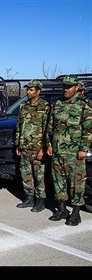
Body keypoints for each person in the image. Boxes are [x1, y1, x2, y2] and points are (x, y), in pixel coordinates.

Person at [46, 75, 92, 226]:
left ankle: (76, 213)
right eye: (64, 86)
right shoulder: (57, 103)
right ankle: (61, 210)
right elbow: (50, 126)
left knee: (76, 183)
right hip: (58, 150)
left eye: (69, 87)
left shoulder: (84, 105)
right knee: (58, 181)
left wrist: (84, 148)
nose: (66, 89)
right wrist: (49, 144)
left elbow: (88, 129)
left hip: (74, 152)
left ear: (76, 88)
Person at [15, 80, 50, 212]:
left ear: (38, 91)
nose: (28, 92)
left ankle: (40, 201)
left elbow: (47, 129)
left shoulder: (45, 107)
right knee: (26, 173)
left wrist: (43, 148)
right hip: (24, 147)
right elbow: (19, 126)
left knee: (39, 175)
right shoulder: (24, 106)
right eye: (27, 90)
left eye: (31, 90)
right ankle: (29, 198)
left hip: (37, 148)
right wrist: (18, 145)